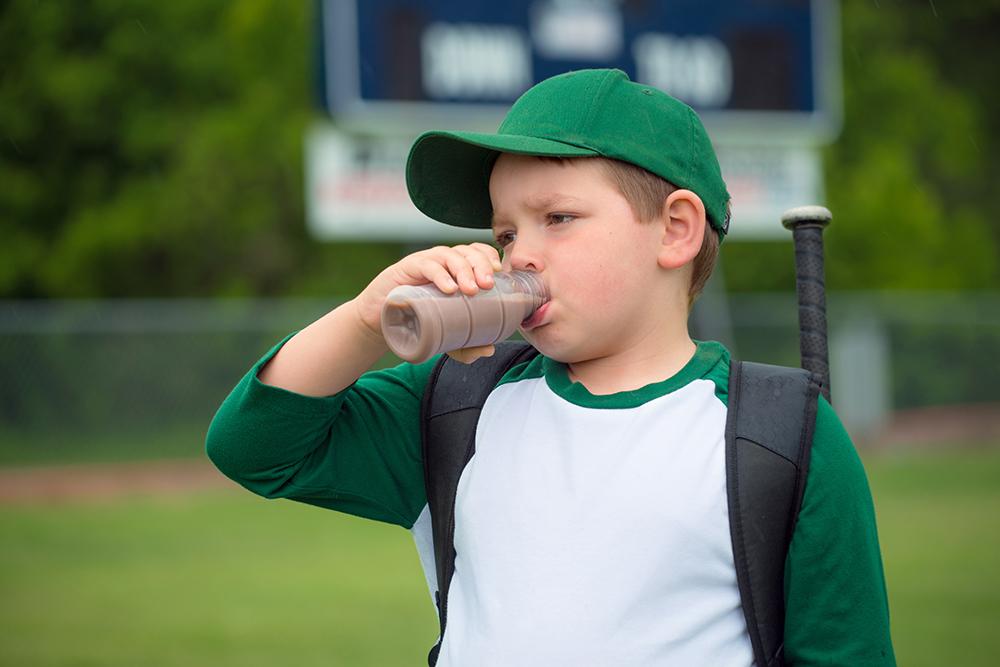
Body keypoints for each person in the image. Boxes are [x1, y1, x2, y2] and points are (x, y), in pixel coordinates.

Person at [206, 69, 895, 666]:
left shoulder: (776, 435)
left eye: (557, 218)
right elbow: (255, 447)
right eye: (506, 231)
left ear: (676, 229)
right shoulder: (457, 402)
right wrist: (366, 318)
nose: (518, 255)